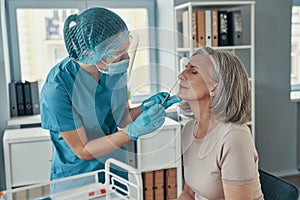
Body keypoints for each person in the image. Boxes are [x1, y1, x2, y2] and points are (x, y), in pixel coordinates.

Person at [39, 7, 180, 192]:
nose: (126, 58)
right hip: (78, 180)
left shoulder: (112, 70)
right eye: (118, 54)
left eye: (126, 50)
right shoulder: (57, 87)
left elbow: (122, 118)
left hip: (114, 172)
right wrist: (132, 132)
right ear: (89, 54)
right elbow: (83, 149)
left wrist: (145, 108)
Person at [177, 47, 264, 200]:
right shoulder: (189, 130)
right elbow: (189, 193)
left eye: (194, 72)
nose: (181, 75)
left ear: (215, 88)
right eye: (185, 69)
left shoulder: (234, 137)